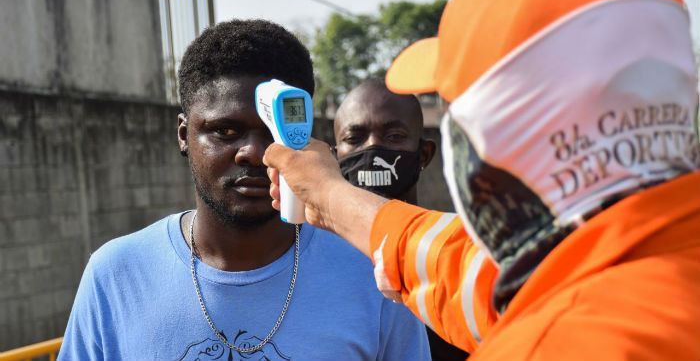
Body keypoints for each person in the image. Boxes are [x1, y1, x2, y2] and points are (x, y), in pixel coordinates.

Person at [263, 0, 700, 360]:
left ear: (495, 134)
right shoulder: (642, 255)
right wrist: (328, 195)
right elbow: (463, 269)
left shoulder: (543, 343)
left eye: (453, 104)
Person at [57, 19, 430, 361]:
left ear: (302, 131)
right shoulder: (116, 274)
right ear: (184, 135)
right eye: (225, 131)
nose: (253, 152)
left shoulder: (376, 276)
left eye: (273, 131)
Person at [334, 79, 471, 361]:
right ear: (336, 158)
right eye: (354, 139)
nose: (373, 149)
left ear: (425, 155)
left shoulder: (456, 253)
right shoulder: (311, 263)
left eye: (394, 136)